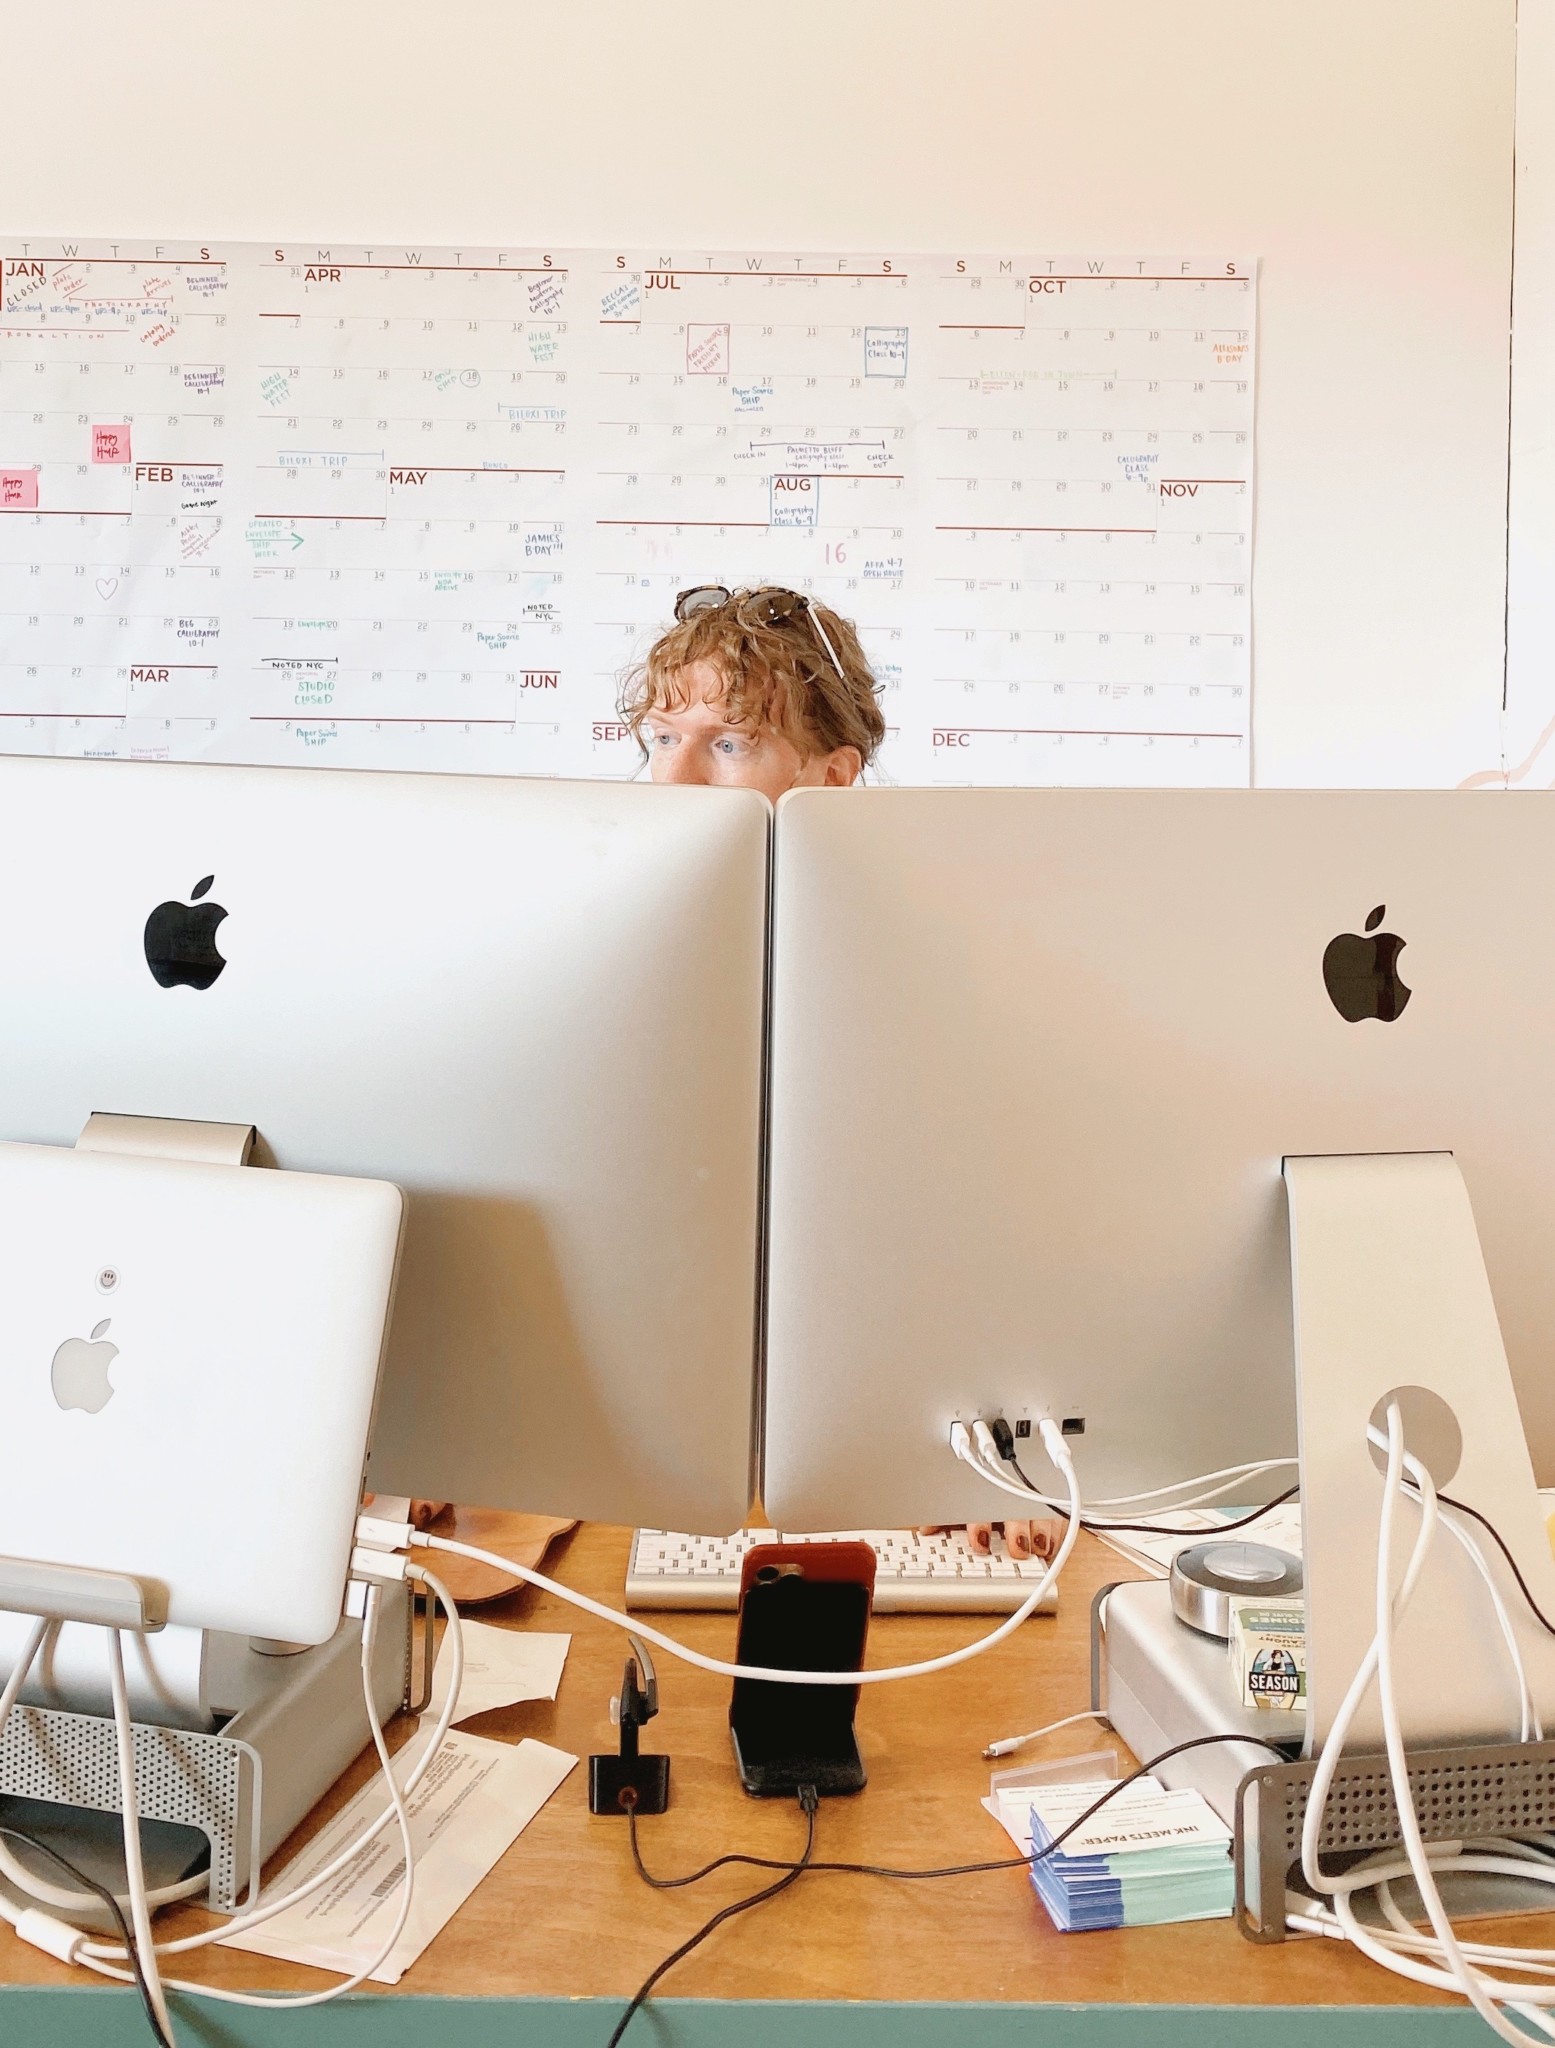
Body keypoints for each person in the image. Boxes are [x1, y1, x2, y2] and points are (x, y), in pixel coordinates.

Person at [622, 584, 1056, 1561]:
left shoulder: (933, 967)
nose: (674, 780)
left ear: (834, 772)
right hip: (654, 1448)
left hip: (869, 1455)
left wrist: (990, 1444)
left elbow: (994, 1225)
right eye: (661, 737)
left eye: (726, 743)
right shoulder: (608, 958)